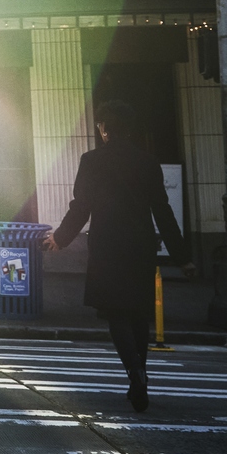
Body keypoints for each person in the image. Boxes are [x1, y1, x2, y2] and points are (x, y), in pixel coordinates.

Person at [41, 100, 190, 412]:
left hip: (108, 245)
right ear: (130, 128)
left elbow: (81, 205)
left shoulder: (92, 160)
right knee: (138, 312)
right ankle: (141, 372)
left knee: (115, 312)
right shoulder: (147, 162)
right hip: (141, 244)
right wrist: (182, 255)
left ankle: (135, 373)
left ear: (104, 128)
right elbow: (162, 210)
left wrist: (61, 238)